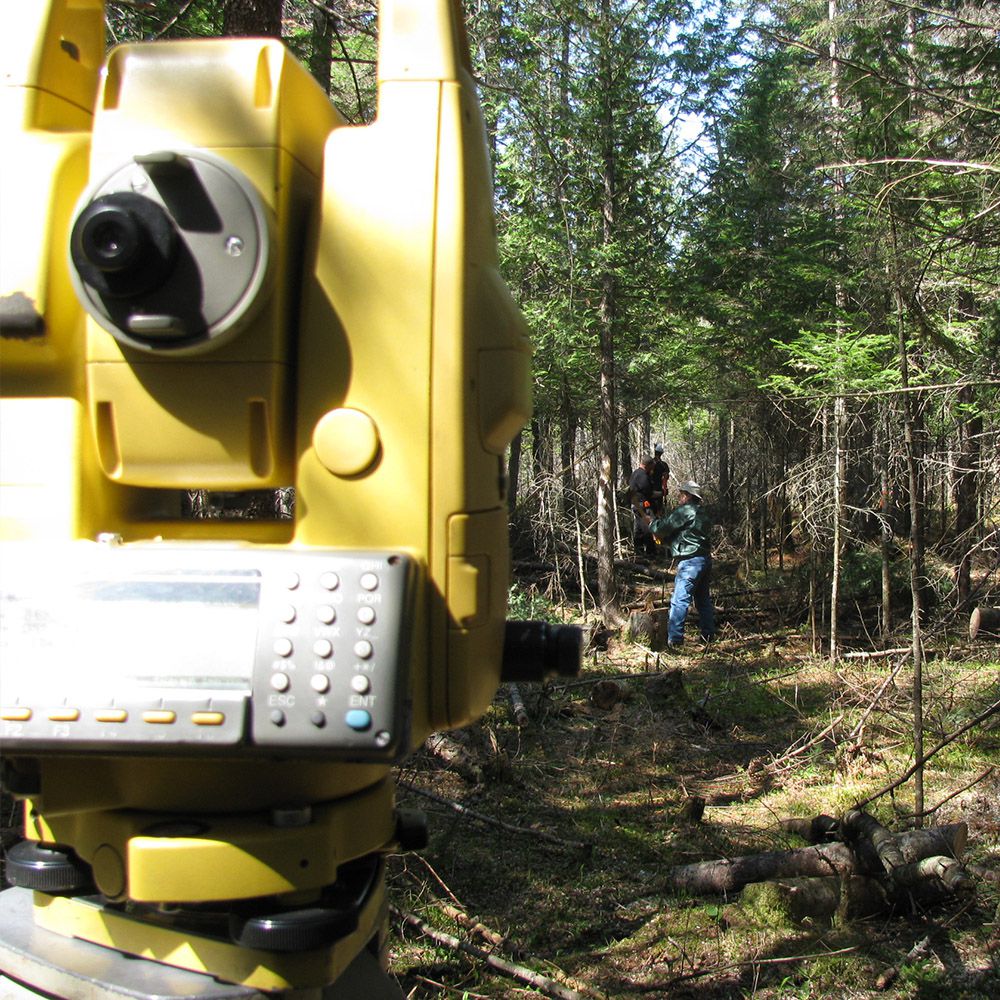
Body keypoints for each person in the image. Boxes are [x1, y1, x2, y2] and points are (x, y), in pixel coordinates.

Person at [650, 480, 715, 646]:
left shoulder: (685, 511)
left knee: (680, 600)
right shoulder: (703, 513)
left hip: (690, 562)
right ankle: (708, 636)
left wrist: (653, 525)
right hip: (704, 560)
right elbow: (686, 535)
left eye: (681, 494)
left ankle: (675, 639)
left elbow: (663, 527)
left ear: (687, 496)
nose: (679, 497)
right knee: (703, 600)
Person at [627, 458, 657, 557]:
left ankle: (638, 552)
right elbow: (649, 493)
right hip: (643, 506)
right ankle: (650, 553)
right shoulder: (643, 476)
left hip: (636, 506)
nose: (652, 469)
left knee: (639, 529)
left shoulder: (635, 473)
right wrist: (662, 493)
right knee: (648, 529)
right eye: (652, 466)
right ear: (647, 465)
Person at [649, 443, 669, 515]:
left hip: (651, 491)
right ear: (661, 453)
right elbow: (665, 479)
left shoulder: (650, 463)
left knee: (651, 512)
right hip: (657, 491)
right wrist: (664, 490)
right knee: (658, 512)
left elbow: (665, 479)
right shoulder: (663, 465)